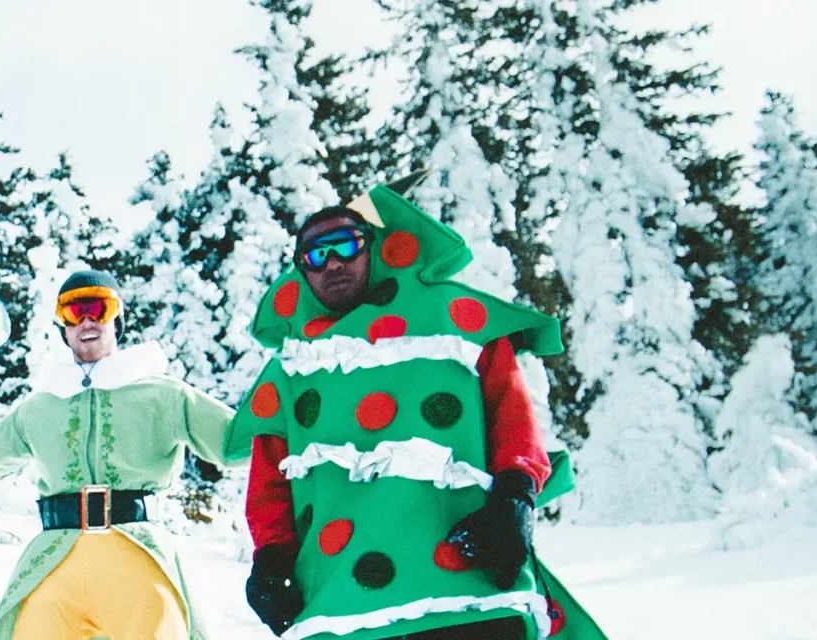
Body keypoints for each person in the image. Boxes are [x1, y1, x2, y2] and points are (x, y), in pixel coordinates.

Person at [233, 178, 602, 640]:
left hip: (466, 588)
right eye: (315, 253)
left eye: (345, 243)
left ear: (376, 247)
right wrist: (270, 559)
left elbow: (511, 414)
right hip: (342, 602)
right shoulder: (292, 366)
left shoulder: (456, 321)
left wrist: (515, 496)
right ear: (300, 273)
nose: (332, 262)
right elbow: (269, 478)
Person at [0, 270, 246, 640]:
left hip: (137, 557)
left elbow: (235, 442)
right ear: (63, 328)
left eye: (98, 308)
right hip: (56, 559)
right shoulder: (39, 408)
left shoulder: (165, 396)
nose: (86, 321)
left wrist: (299, 422)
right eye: (73, 312)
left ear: (116, 320)